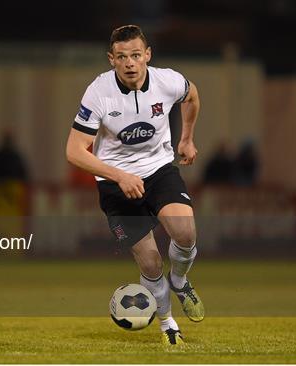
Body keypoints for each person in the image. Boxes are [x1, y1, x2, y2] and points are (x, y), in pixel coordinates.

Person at [66, 25, 204, 346]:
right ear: (112, 59)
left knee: (185, 233)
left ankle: (181, 281)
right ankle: (168, 325)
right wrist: (119, 176)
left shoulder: (167, 81)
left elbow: (193, 96)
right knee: (151, 261)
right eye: (122, 57)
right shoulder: (99, 92)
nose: (130, 63)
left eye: (136, 55)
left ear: (147, 56)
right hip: (115, 184)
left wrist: (186, 138)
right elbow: (73, 151)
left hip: (158, 170)